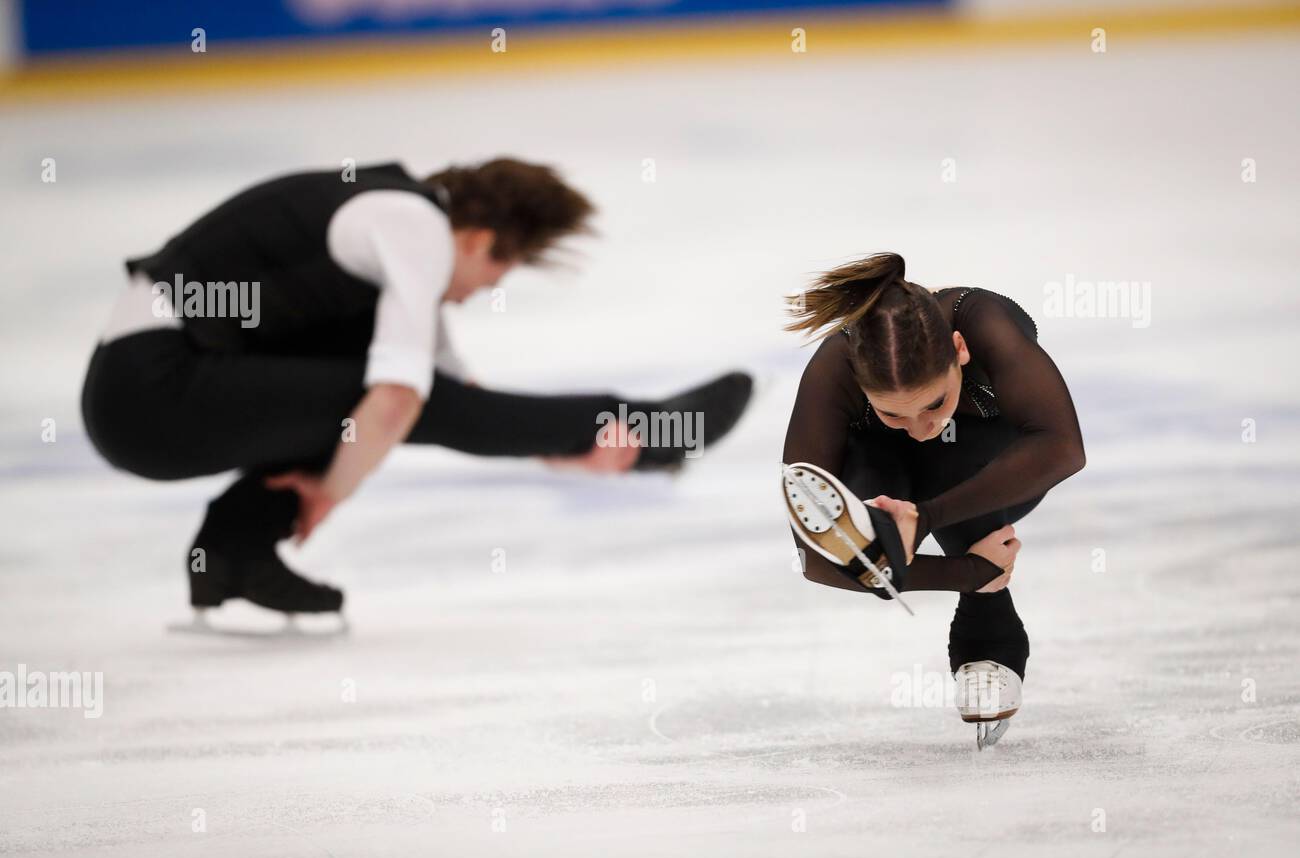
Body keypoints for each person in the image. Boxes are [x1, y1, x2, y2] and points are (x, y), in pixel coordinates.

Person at [81, 158, 752, 621]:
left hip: (143, 391)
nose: (478, 294)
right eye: (496, 277)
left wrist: (569, 453)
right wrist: (330, 491)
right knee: (386, 396)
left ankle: (235, 555)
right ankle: (653, 428)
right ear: (481, 240)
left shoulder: (393, 219)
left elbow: (467, 402)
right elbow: (406, 403)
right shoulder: (414, 227)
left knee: (379, 384)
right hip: (152, 391)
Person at [781, 253, 1085, 744]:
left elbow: (1063, 448)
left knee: (947, 456)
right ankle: (969, 589)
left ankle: (989, 639)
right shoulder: (834, 368)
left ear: (959, 349)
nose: (922, 427)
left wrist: (925, 518)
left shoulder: (983, 321)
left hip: (987, 469)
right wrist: (969, 572)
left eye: (935, 402)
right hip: (888, 480)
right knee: (854, 519)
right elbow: (814, 555)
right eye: (893, 414)